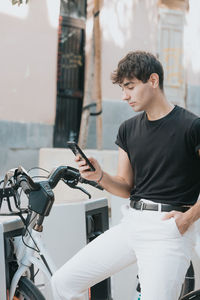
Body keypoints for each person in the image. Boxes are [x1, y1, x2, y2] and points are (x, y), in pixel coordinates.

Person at [51, 51, 200, 300]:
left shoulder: (191, 126)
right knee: (63, 283)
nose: (124, 96)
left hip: (169, 231)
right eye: (122, 88)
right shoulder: (128, 130)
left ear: (153, 81)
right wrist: (99, 176)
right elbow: (125, 186)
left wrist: (187, 219)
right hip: (132, 223)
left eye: (129, 87)